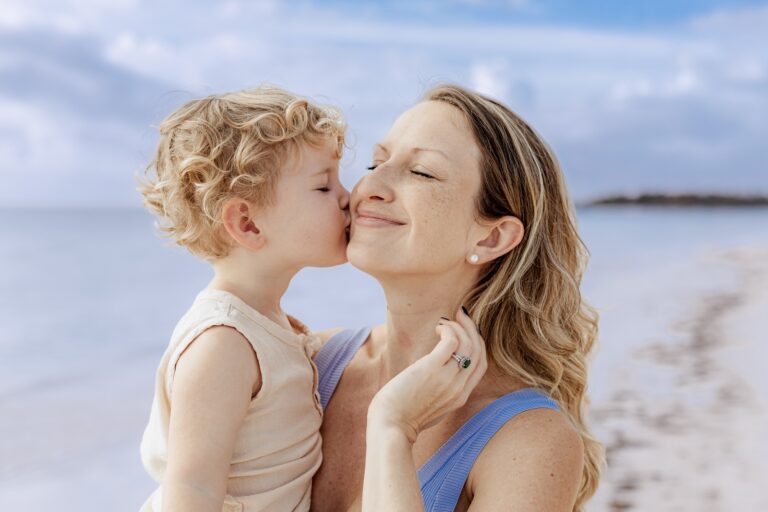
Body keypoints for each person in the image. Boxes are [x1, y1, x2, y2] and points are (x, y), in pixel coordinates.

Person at [312, 84, 604, 511]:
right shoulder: (310, 366)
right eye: (377, 161)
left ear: (491, 237)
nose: (370, 184)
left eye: (421, 172)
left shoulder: (530, 439)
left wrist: (393, 428)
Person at [137, 85, 351, 511]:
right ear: (248, 223)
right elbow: (191, 491)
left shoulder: (270, 325)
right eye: (324, 187)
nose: (348, 196)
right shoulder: (223, 344)